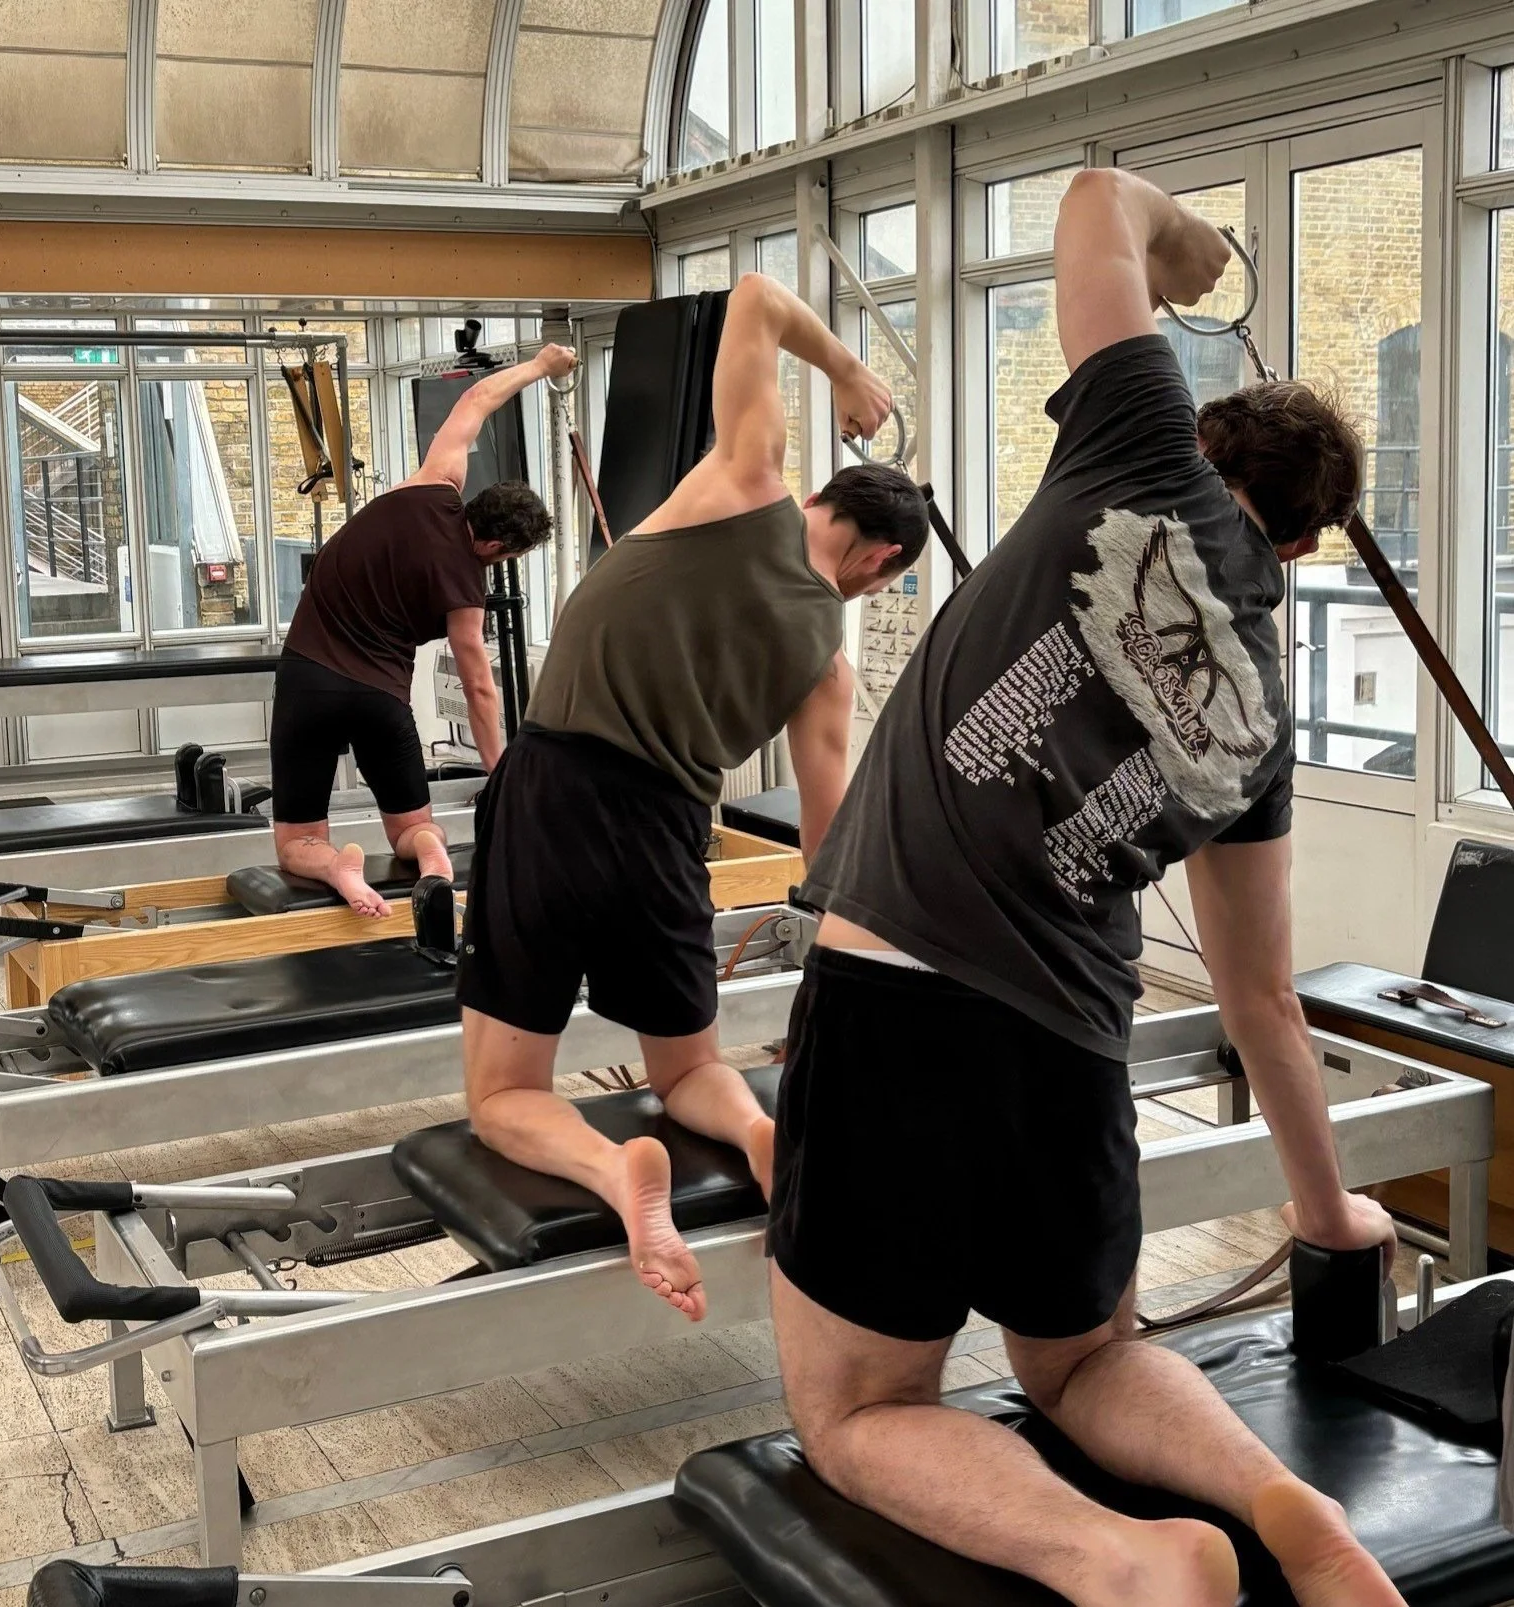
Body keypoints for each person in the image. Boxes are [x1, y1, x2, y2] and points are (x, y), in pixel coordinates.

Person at [765, 166, 1406, 1607]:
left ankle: (1122, 1561)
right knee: (1084, 1356)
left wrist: (1193, 257)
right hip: (1068, 1046)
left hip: (899, 997)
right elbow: (1257, 1003)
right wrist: (1326, 1215)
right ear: (1296, 552)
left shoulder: (1137, 452)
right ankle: (1270, 1494)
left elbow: (1098, 196)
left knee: (859, 1408)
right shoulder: (1263, 729)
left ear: (1197, 437)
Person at [459, 272, 931, 1320]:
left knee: (503, 1094)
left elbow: (756, 295)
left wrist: (845, 368)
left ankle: (610, 1168)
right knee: (687, 1072)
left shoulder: (744, 480)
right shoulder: (827, 660)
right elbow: (826, 834)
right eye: (886, 582)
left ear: (824, 502)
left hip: (552, 790)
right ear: (881, 555)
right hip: (670, 826)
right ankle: (763, 1137)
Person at [270, 344, 573, 917]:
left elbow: (478, 397)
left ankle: (335, 866)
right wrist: (499, 771)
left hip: (307, 678)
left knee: (296, 841)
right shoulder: (466, 595)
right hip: (381, 698)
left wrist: (540, 366)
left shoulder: (434, 482)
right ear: (496, 547)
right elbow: (481, 687)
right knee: (413, 826)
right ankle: (433, 861)